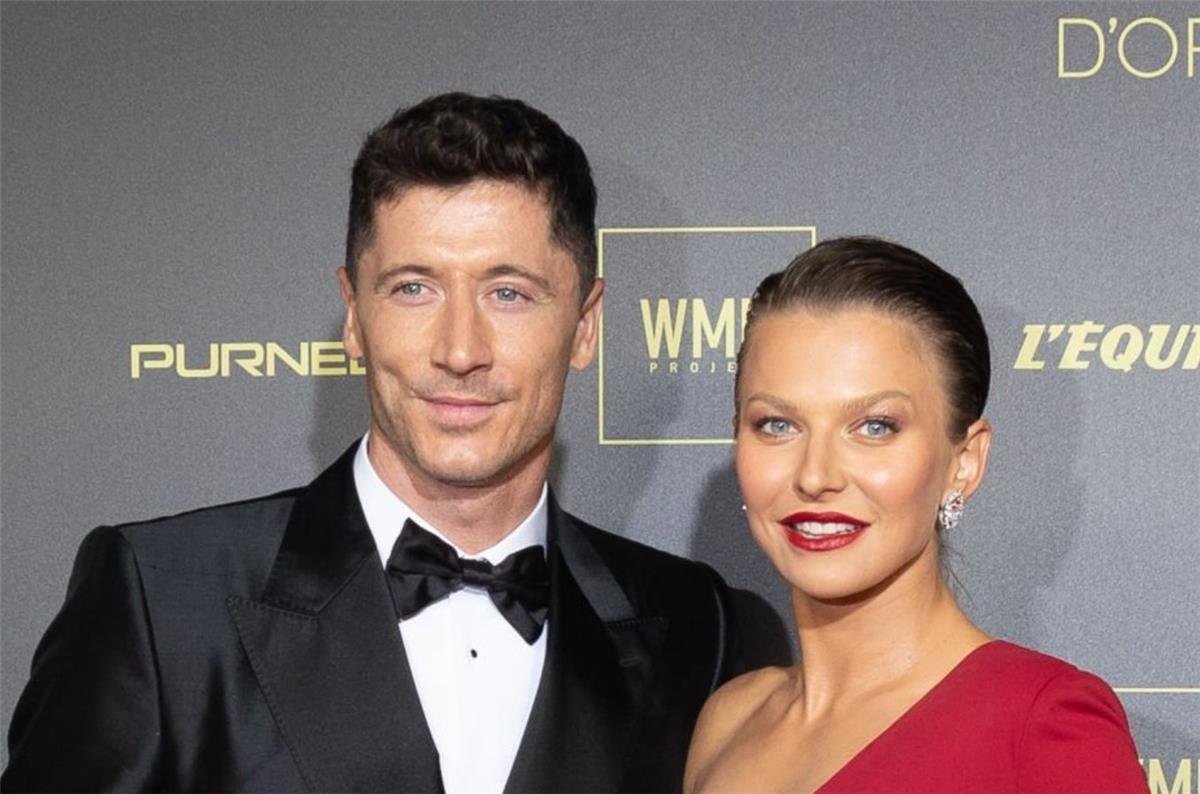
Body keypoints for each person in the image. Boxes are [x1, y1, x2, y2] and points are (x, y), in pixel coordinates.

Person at [3, 93, 744, 792]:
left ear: (584, 326)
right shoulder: (162, 602)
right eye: (414, 288)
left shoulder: (690, 625)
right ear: (354, 315)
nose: (460, 350)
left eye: (508, 293)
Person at [683, 237, 1146, 793]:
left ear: (964, 462)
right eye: (777, 425)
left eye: (875, 427)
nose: (815, 475)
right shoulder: (729, 722)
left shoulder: (1042, 726)